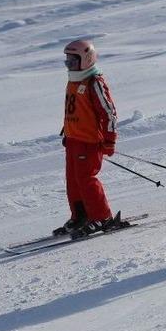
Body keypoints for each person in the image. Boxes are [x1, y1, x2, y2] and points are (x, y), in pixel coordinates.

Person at [55, 39, 119, 239]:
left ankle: (102, 217)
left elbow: (109, 113)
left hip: (89, 141)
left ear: (86, 59)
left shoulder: (94, 81)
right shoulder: (73, 80)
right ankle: (81, 216)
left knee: (86, 179)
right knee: (73, 181)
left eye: (73, 61)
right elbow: (74, 111)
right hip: (74, 140)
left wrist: (110, 140)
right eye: (67, 61)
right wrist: (67, 132)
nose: (69, 65)